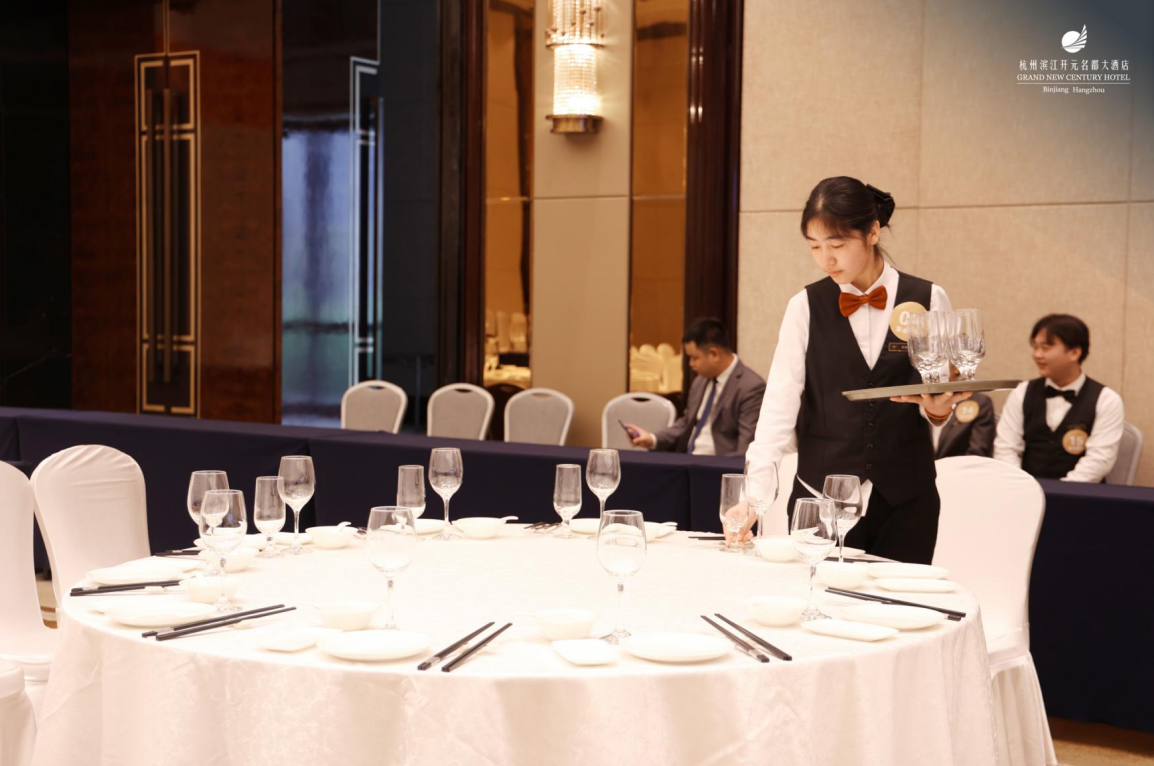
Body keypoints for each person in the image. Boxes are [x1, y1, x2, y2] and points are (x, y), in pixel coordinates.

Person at [742, 176, 971, 564]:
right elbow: (779, 403)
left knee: (902, 602)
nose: (825, 259)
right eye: (814, 246)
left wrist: (937, 411)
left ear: (873, 233)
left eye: (837, 245)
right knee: (818, 600)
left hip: (907, 500)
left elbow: (938, 393)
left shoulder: (929, 298)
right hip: (819, 501)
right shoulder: (804, 306)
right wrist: (754, 497)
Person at [993, 314, 1124, 482]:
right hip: (1025, 490)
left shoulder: (1107, 400)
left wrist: (1063, 491)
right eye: (1035, 347)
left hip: (1081, 493)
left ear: (1075, 352)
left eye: (1046, 347)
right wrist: (1024, 487)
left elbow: (1099, 460)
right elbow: (1006, 448)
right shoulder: (1021, 392)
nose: (1037, 354)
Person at [625, 318, 765, 457]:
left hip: (720, 465)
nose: (691, 364)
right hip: (688, 460)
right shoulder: (700, 381)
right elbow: (686, 423)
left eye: (694, 358)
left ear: (714, 354)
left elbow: (747, 448)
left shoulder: (750, 387)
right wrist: (651, 439)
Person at [933, 367, 995, 458]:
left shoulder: (979, 403)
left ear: (956, 367)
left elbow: (977, 453)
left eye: (942, 361)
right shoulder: (918, 401)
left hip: (962, 466)